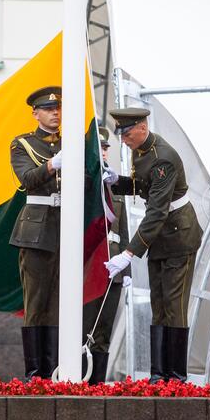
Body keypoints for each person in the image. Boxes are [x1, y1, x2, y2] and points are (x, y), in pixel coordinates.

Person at [103, 108, 203, 383]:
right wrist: (118, 182)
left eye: (126, 133)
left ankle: (176, 375)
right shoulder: (142, 150)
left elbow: (157, 211)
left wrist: (128, 252)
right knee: (159, 303)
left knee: (174, 305)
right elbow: (143, 186)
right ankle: (159, 374)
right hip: (161, 235)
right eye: (120, 133)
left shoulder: (163, 159)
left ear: (142, 127)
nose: (122, 139)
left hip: (178, 236)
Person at [9, 86, 62, 380]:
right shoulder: (22, 144)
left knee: (58, 303)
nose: (55, 113)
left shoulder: (71, 143)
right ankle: (35, 373)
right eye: (49, 109)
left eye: (58, 109)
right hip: (37, 230)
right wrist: (52, 164)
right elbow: (28, 179)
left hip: (64, 228)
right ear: (36, 113)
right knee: (37, 303)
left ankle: (55, 370)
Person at [82, 127, 129, 384]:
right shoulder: (84, 182)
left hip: (114, 268)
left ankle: (97, 385)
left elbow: (123, 232)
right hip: (90, 266)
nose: (104, 151)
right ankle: (80, 383)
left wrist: (127, 271)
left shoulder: (114, 183)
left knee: (104, 331)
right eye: (99, 147)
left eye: (105, 147)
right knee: (84, 329)